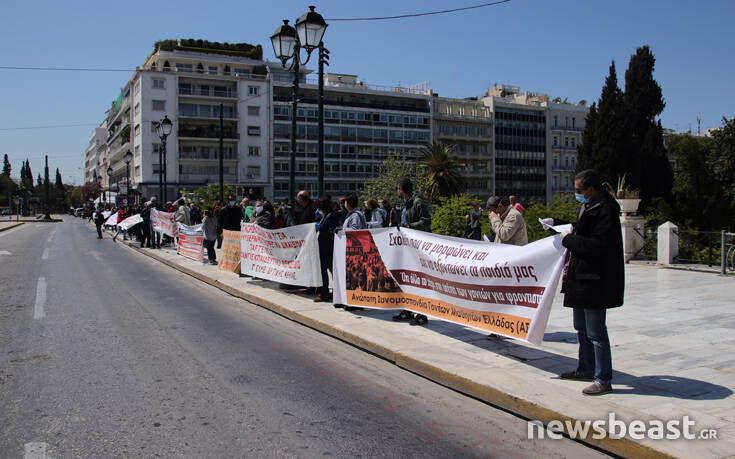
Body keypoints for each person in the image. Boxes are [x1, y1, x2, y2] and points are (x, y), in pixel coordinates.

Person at [552, 169, 624, 396]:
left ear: (591, 189)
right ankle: (585, 368)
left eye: (579, 191)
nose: (577, 194)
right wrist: (558, 224)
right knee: (581, 329)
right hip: (580, 278)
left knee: (596, 332)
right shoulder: (589, 206)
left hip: (595, 279)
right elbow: (580, 229)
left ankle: (603, 379)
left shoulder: (606, 210)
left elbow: (596, 246)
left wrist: (568, 240)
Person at [394, 177, 432, 326]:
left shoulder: (417, 202)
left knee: (419, 279)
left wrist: (410, 226)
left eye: (398, 188)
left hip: (418, 245)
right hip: (407, 244)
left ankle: (422, 314)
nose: (397, 191)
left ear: (402, 189)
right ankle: (409, 309)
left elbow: (426, 221)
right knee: (408, 278)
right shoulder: (407, 202)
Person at [314, 195, 341, 303]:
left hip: (327, 248)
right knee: (331, 271)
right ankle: (335, 292)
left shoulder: (330, 217)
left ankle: (324, 293)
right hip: (326, 248)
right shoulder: (326, 216)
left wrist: (321, 228)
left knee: (324, 272)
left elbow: (331, 232)